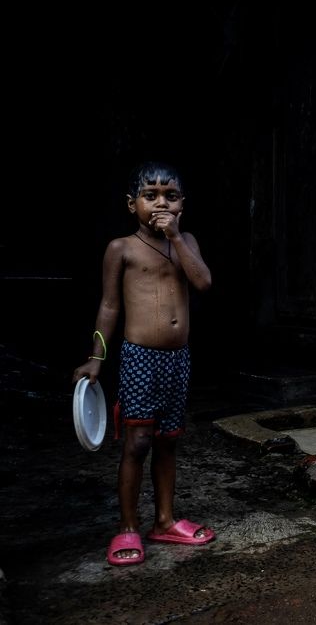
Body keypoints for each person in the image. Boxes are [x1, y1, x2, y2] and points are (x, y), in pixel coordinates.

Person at [73, 162, 214, 566]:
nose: (160, 202)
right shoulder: (122, 249)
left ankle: (165, 521)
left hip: (178, 358)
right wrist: (96, 359)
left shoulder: (186, 240)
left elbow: (203, 282)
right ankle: (127, 527)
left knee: (169, 440)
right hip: (140, 358)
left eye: (170, 195)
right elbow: (109, 305)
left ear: (182, 203)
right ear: (131, 204)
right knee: (137, 443)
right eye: (150, 195)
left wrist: (175, 236)